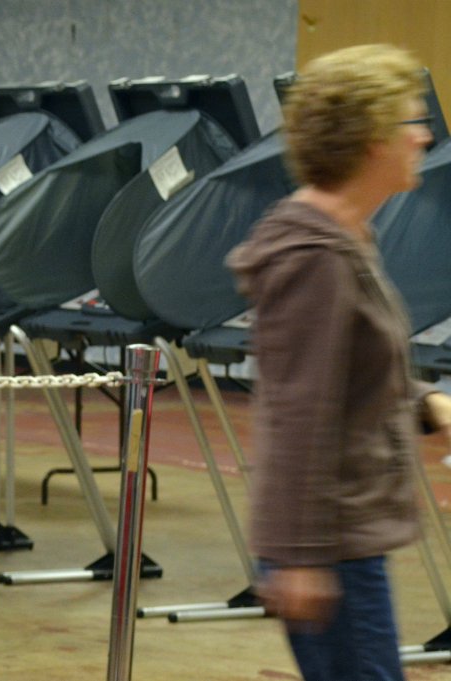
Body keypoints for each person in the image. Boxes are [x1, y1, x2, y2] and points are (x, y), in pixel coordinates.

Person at [227, 43, 451, 680]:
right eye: (412, 122)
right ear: (372, 140)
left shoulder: (348, 237)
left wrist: (427, 403)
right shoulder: (314, 257)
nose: (425, 136)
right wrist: (301, 557)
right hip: (327, 545)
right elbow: (299, 412)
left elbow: (349, 369)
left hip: (343, 539)